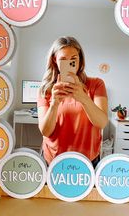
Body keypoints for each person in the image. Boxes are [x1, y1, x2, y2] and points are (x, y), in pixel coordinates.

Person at [37, 36, 108, 167]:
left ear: (80, 60)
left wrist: (83, 98)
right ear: (54, 60)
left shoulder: (96, 84)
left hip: (88, 160)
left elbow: (102, 123)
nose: (69, 64)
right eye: (63, 60)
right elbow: (45, 131)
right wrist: (54, 104)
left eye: (73, 60)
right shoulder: (46, 89)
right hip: (53, 159)